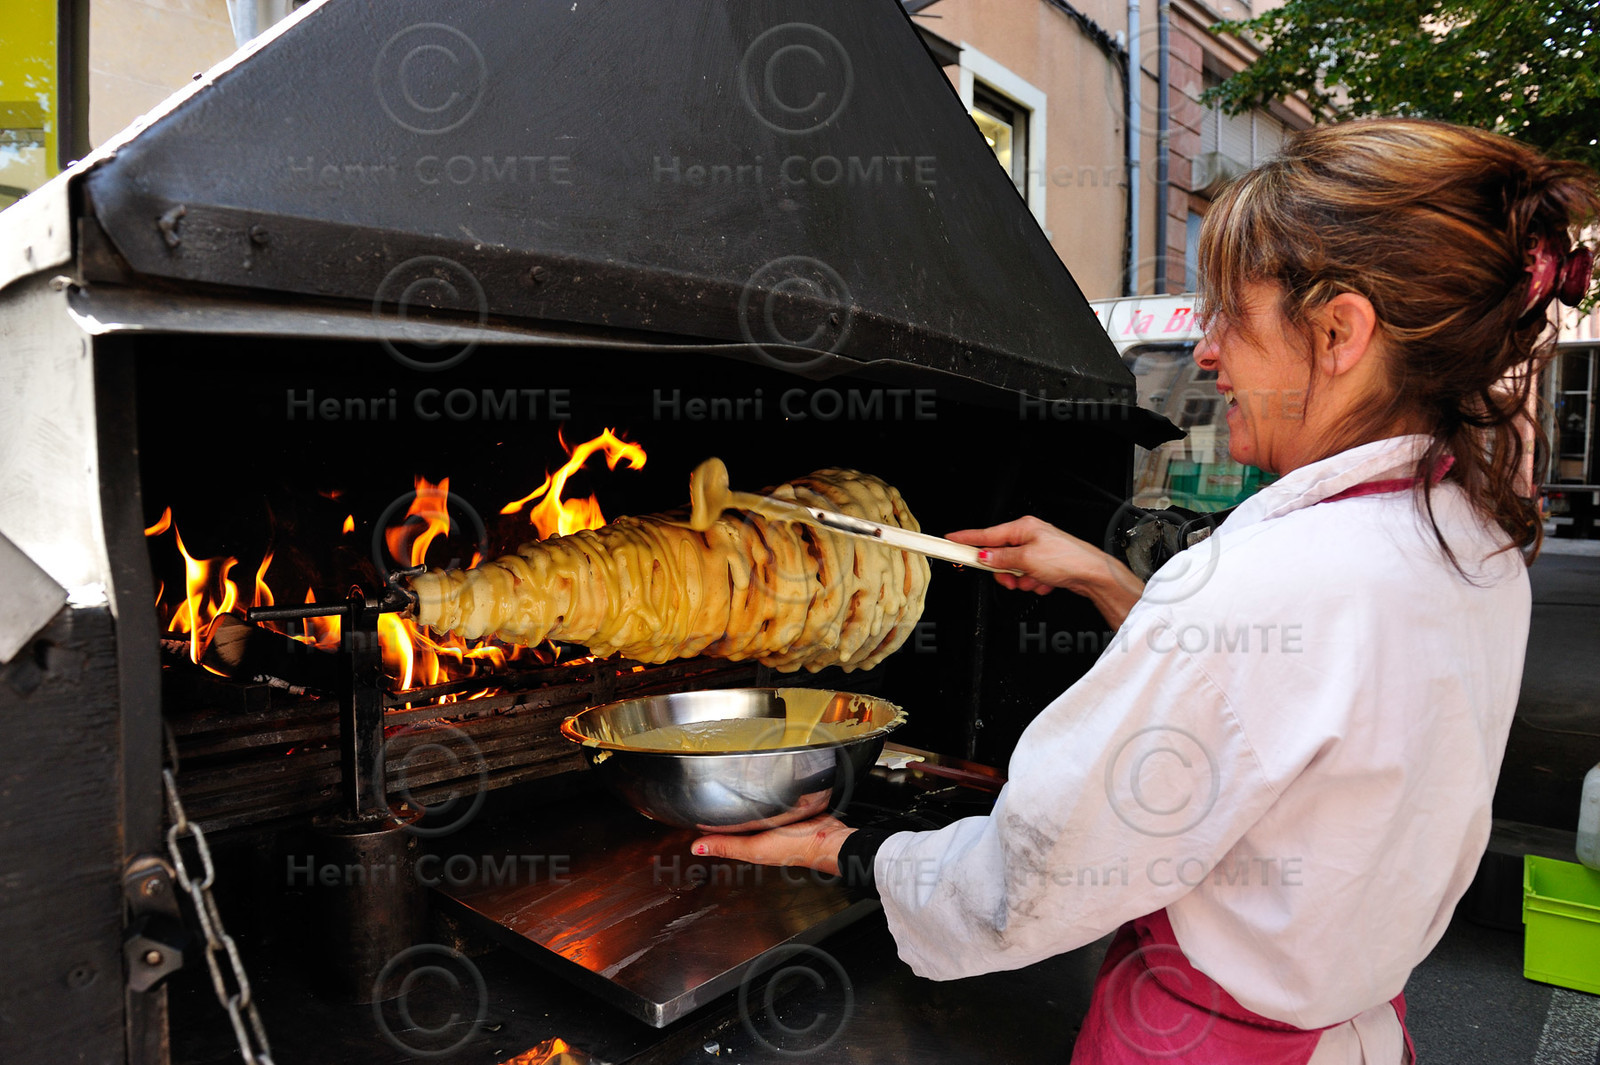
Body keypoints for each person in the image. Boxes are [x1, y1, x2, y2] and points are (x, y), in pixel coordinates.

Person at [693, 118, 1598, 1063]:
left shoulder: (1269, 584)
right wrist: (1111, 580)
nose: (1209, 355)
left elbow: (1030, 880)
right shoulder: (1469, 538)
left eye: (1231, 320)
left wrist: (840, 848)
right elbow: (1275, 722)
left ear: (1339, 332)